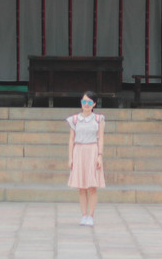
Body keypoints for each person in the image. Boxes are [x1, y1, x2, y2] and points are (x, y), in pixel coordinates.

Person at [66, 90, 105, 226]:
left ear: (94, 104)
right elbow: (71, 139)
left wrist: (99, 156)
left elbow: (100, 138)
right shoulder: (74, 119)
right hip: (79, 151)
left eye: (89, 102)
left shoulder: (99, 119)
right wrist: (70, 158)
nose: (86, 104)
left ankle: (91, 215)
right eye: (84, 101)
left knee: (92, 186)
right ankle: (84, 215)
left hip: (92, 151)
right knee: (81, 187)